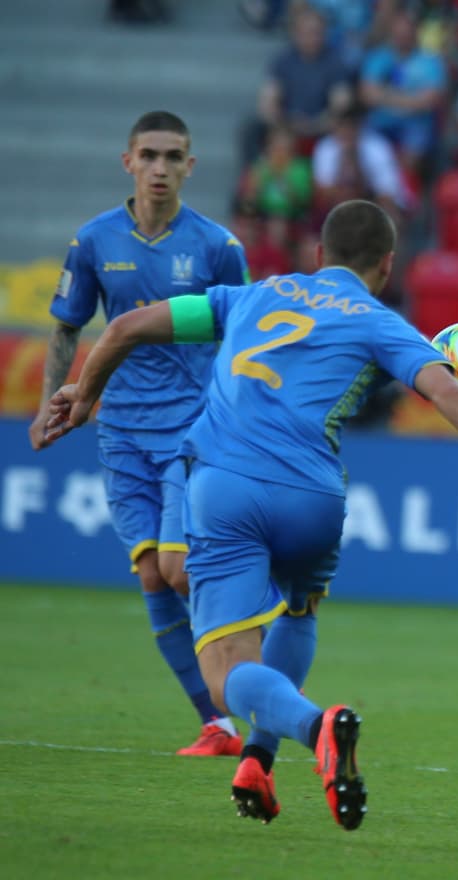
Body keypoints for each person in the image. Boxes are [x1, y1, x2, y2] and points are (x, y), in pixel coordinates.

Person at [38, 200, 458, 830]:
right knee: (299, 608)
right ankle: (258, 760)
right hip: (313, 499)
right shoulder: (381, 322)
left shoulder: (247, 297)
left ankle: (318, 727)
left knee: (225, 675)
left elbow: (124, 329)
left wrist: (84, 395)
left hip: (226, 487)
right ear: (388, 266)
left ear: (319, 255)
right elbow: (449, 390)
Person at [27, 111, 251, 757]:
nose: (160, 167)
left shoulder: (217, 249)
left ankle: (257, 604)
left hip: (191, 429)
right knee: (153, 576)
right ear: (128, 162)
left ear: (190, 166)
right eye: (149, 155)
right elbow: (67, 326)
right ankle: (220, 725)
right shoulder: (94, 240)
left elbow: (245, 338)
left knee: (178, 570)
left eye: (172, 156)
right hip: (121, 430)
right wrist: (52, 405)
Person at [247, 4, 353, 162]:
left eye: (316, 32)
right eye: (306, 32)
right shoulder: (283, 61)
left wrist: (315, 125)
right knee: (251, 130)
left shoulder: (335, 62)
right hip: (288, 125)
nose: (311, 37)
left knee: (344, 131)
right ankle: (254, 181)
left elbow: (341, 105)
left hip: (323, 127)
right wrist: (284, 123)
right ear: (295, 33)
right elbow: (268, 100)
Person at [359, 8, 448, 176]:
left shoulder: (430, 61)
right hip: (381, 121)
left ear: (415, 33)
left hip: (416, 123)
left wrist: (385, 96)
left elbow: (429, 101)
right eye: (398, 33)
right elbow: (367, 96)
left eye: (406, 33)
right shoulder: (378, 57)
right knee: (363, 145)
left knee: (414, 145)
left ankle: (406, 195)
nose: (402, 37)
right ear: (392, 33)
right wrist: (411, 99)